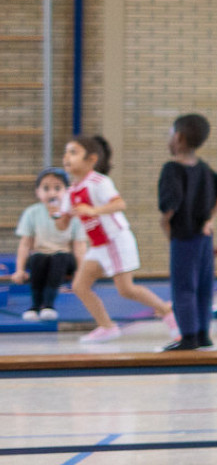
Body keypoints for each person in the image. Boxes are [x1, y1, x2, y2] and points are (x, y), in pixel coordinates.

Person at [61, 134, 176, 344]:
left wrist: (93, 210)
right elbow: (62, 225)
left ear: (91, 160)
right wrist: (58, 214)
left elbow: (119, 204)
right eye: (66, 152)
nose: (67, 157)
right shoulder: (70, 192)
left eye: (74, 152)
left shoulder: (99, 182)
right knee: (80, 286)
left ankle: (167, 312)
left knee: (126, 289)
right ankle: (107, 326)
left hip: (115, 240)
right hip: (98, 246)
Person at [157, 113, 217, 351]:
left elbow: (171, 205)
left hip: (184, 235)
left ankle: (188, 337)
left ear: (178, 138)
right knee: (203, 286)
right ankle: (203, 334)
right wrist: (210, 217)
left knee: (183, 288)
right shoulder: (202, 168)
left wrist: (165, 224)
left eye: (171, 134)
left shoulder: (171, 169)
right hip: (204, 237)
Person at [11, 169, 81, 320]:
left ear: (67, 191)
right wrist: (19, 270)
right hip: (40, 255)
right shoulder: (32, 213)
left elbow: (79, 246)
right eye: (46, 188)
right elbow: (25, 244)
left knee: (59, 258)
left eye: (57, 188)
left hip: (64, 257)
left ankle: (48, 304)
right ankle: (35, 305)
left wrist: (80, 272)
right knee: (38, 259)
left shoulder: (72, 214)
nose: (52, 193)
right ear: (38, 192)